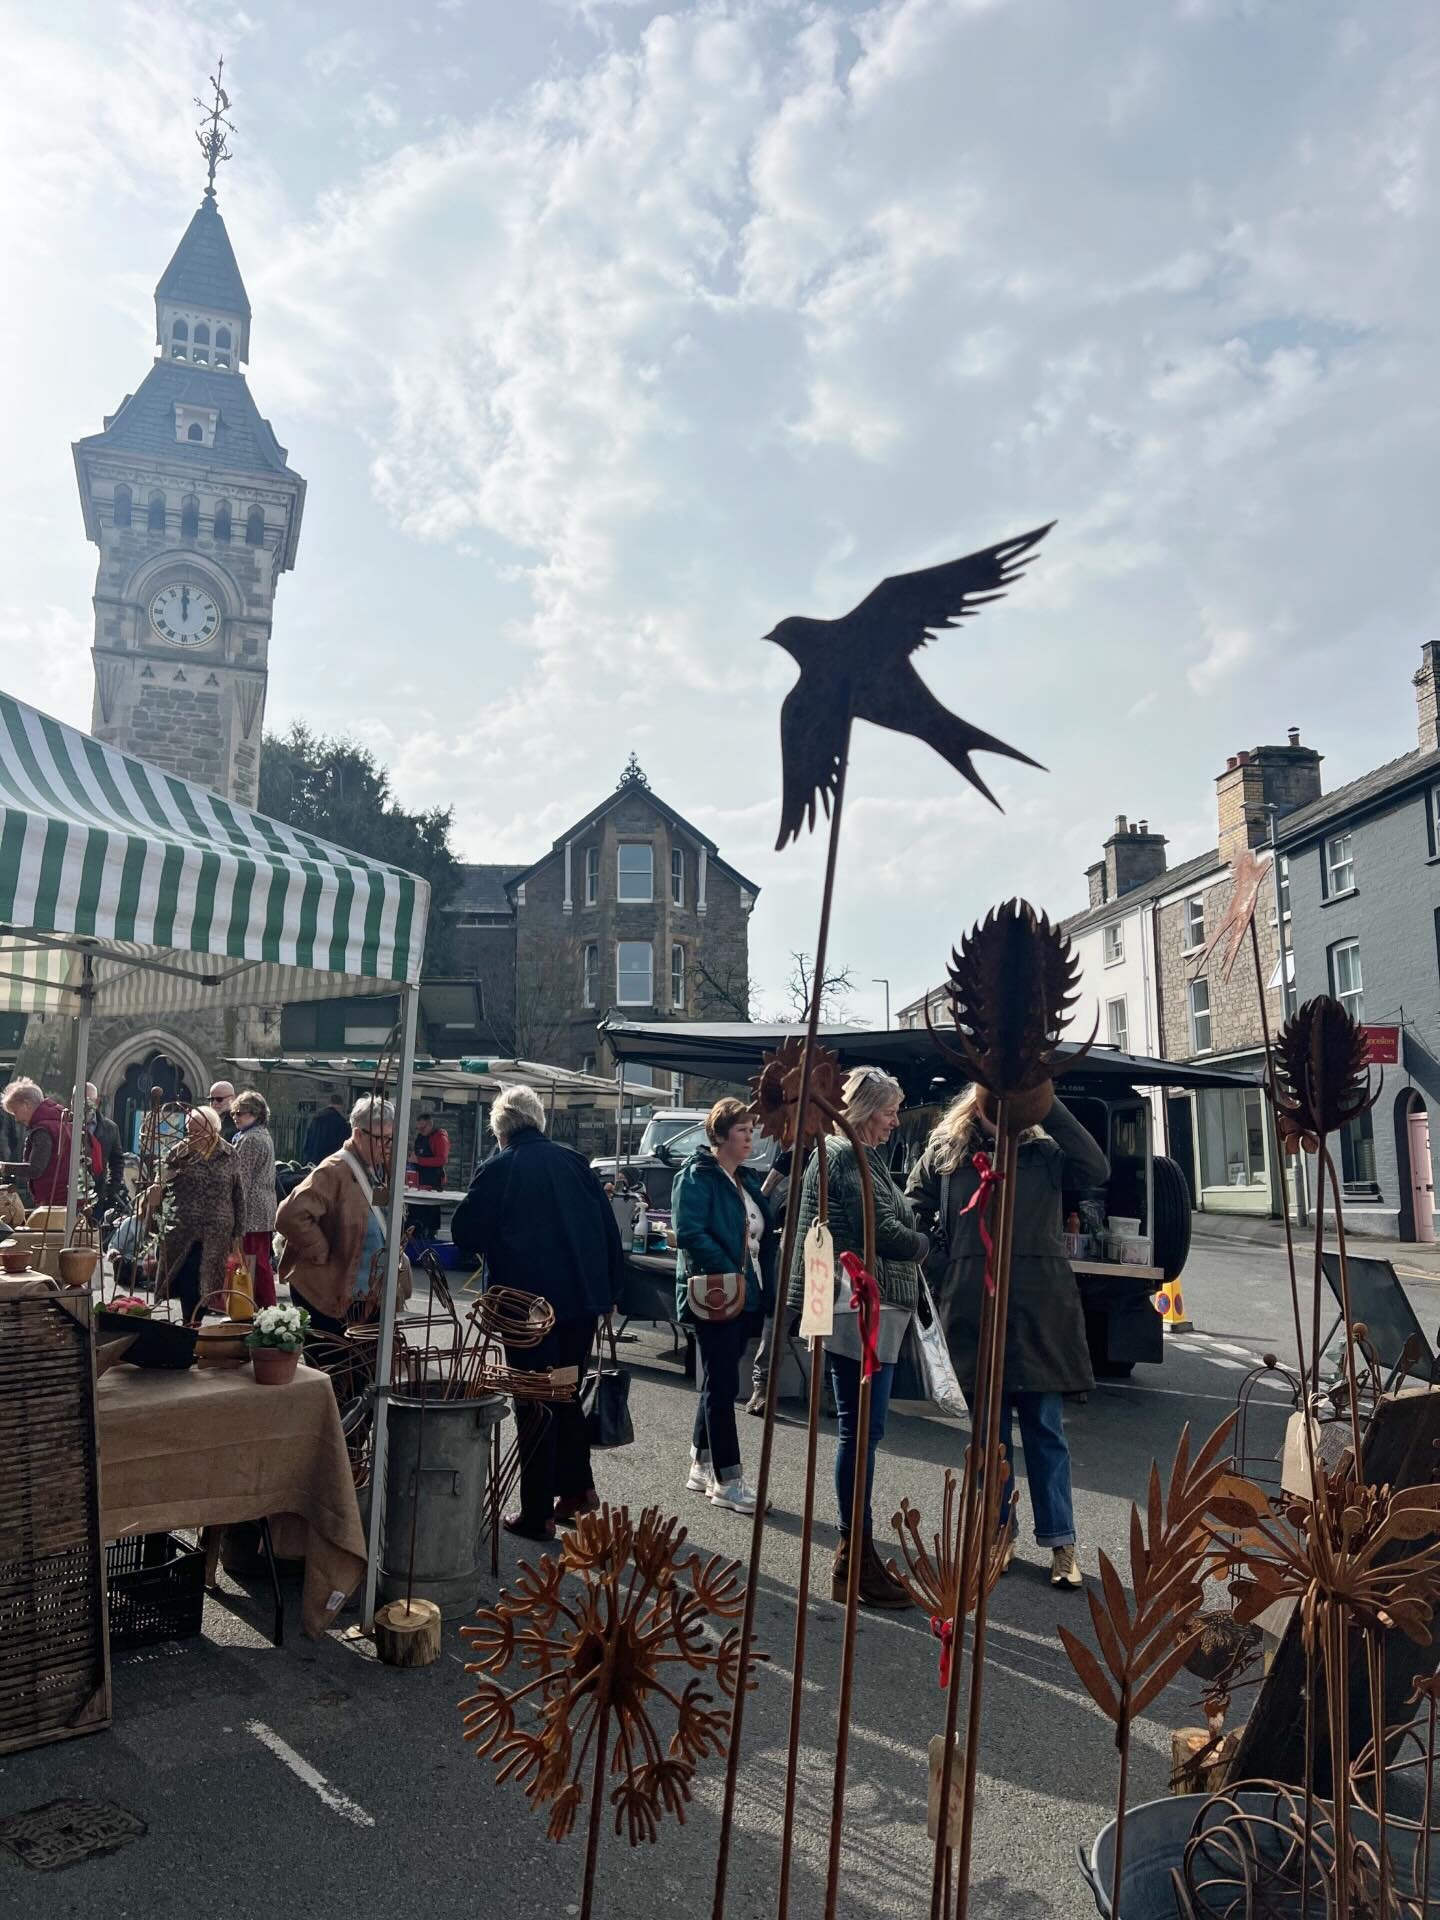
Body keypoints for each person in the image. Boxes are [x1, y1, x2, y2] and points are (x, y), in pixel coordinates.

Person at [907, 1088, 1109, 1591]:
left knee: (1045, 1429)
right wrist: (945, 1261)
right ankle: (997, 1534)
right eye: (993, 1099)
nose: (1001, 1109)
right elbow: (912, 1206)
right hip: (973, 1305)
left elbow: (1096, 1167)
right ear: (977, 1102)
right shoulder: (948, 1152)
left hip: (1039, 1307)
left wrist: (1045, 1103)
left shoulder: (1046, 1152)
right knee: (988, 1436)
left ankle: (1062, 1542)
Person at [452, 1086, 623, 1541]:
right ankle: (578, 1489)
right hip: (580, 1304)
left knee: (534, 1400)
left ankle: (537, 1511)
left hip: (527, 1310)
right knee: (563, 1392)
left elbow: (465, 1233)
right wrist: (610, 1293)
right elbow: (609, 1231)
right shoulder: (575, 1162)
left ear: (500, 1129)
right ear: (538, 1121)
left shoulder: (500, 1167)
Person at [789, 1067, 926, 1609]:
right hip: (859, 1306)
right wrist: (923, 1242)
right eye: (890, 1111)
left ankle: (857, 1552)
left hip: (856, 1304)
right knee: (861, 1430)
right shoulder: (848, 1155)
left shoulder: (849, 1153)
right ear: (867, 1111)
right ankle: (854, 1554)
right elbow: (881, 1229)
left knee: (863, 1429)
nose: (895, 1121)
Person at [673, 1098, 773, 1516]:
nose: (750, 1138)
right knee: (724, 1386)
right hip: (717, 1291)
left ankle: (701, 1465)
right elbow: (689, 1233)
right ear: (720, 1135)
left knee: (719, 1379)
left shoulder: (745, 1180)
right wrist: (730, 1269)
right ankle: (728, 1481)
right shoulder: (697, 1175)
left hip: (747, 1292)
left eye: (752, 1130)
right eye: (742, 1131)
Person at [276, 1095, 401, 1334]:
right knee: (332, 1357)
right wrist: (320, 1251)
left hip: (365, 1296)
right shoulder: (334, 1169)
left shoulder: (378, 1168)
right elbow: (289, 1215)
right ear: (358, 1134)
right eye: (381, 1138)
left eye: (391, 1138)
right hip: (328, 1295)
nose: (387, 1145)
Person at [146, 1106, 245, 1324]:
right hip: (182, 1230)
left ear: (213, 1130)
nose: (193, 1135)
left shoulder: (229, 1154)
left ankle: (194, 1323)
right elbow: (160, 1186)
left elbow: (238, 1195)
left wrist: (238, 1235)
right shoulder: (178, 1152)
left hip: (217, 1231)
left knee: (207, 1280)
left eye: (198, 1131)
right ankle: (190, 1323)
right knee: (187, 1278)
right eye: (190, 1130)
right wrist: (154, 1219)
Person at [1, 1077, 99, 1210]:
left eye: (15, 1112)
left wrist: (3, 1167)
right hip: (74, 1202)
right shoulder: (64, 1123)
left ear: (26, 1104)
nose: (17, 1118)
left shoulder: (43, 1130)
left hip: (55, 1204)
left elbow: (35, 1169)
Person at [746, 1147, 794, 1414]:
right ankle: (762, 1385)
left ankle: (828, 1389)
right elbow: (765, 1193)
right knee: (778, 1313)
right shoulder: (798, 1151)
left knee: (829, 1319)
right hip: (794, 1241)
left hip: (829, 1246)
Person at [231, 1090, 279, 1309]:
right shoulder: (262, 1134)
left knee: (254, 1263)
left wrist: (234, 1212)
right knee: (259, 1262)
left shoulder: (250, 1139)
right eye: (234, 1113)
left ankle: (262, 1308)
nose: (236, 1117)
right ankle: (263, 1308)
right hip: (263, 1209)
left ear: (256, 1114)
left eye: (241, 1113)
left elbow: (240, 1180)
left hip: (251, 1211)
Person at [86, 1082, 127, 1220]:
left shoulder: (110, 1128)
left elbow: (117, 1161)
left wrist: (111, 1190)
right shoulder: (66, 1125)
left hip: (98, 1196)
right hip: (69, 1195)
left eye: (87, 1101)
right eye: (76, 1099)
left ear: (96, 1102)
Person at [409, 1110, 450, 1241]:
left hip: (433, 1181)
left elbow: (442, 1160)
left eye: (423, 1128)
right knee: (416, 1211)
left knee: (430, 1212)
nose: (421, 1131)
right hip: (419, 1181)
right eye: (418, 1128)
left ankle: (430, 1236)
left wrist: (419, 1161)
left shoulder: (439, 1137)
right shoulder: (420, 1137)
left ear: (430, 1124)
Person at [304, 1094, 349, 1166]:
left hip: (312, 1159)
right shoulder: (340, 1121)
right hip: (328, 1162)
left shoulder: (316, 1118)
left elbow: (308, 1140)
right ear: (340, 1106)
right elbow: (343, 1145)